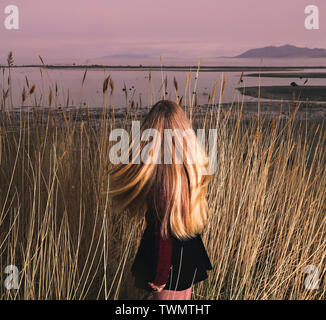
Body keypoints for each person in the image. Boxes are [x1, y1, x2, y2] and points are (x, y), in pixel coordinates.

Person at [109, 99, 213, 300]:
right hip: (189, 249)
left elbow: (164, 232)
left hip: (169, 260)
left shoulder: (163, 178)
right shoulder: (191, 167)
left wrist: (160, 275)